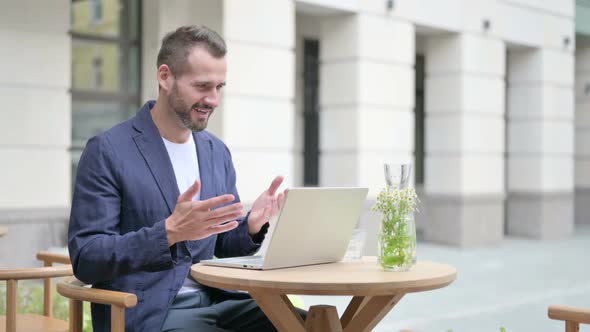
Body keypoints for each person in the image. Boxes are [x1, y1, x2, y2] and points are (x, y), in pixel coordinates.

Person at [68, 25, 302, 332]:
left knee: (309, 324)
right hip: (150, 312)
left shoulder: (216, 152)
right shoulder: (109, 150)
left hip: (219, 300)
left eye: (220, 87)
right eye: (203, 86)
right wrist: (167, 233)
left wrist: (251, 226)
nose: (214, 99)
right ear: (165, 77)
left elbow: (222, 244)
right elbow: (87, 258)